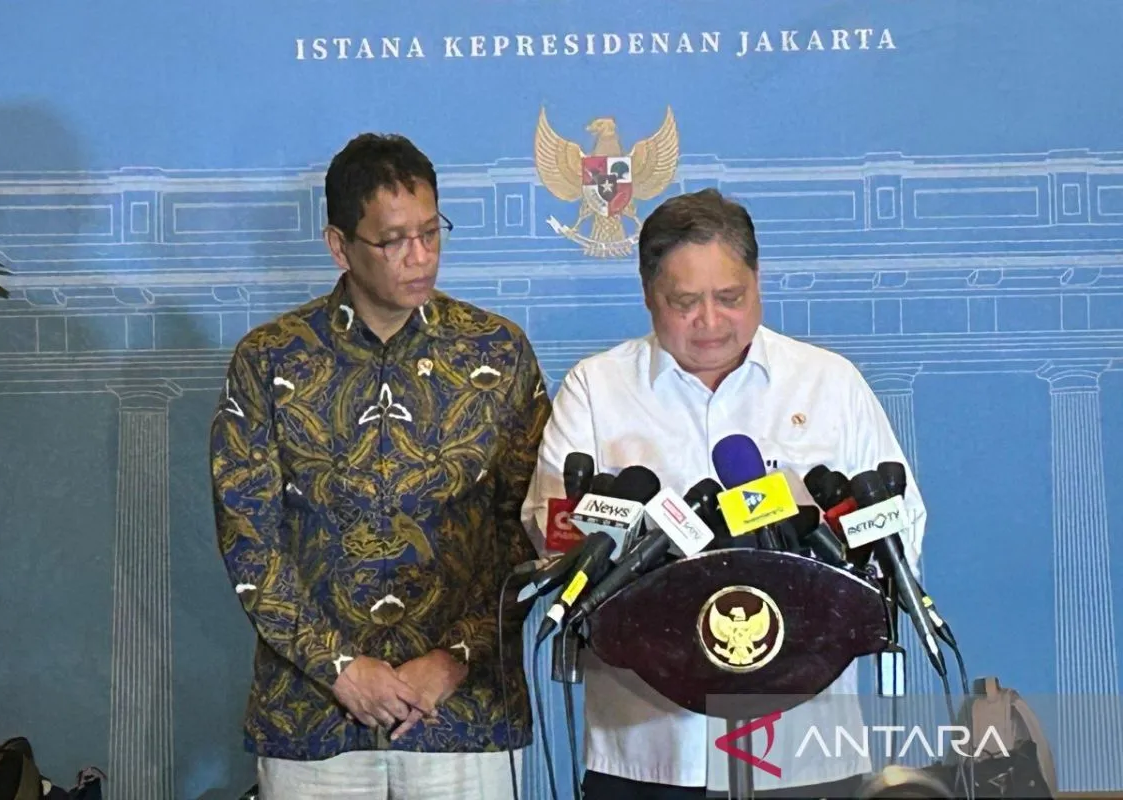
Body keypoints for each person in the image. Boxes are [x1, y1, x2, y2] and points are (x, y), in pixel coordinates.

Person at [520, 188, 927, 799]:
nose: (709, 322)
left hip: (804, 748)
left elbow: (901, 532)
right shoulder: (597, 389)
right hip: (649, 751)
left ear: (758, 282)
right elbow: (556, 539)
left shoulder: (829, 384)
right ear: (647, 295)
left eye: (729, 298)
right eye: (684, 302)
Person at [210, 132, 551, 799]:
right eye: (394, 241)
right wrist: (338, 666)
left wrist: (453, 659)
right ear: (340, 246)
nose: (420, 257)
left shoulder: (498, 353)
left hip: (464, 715)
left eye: (430, 233)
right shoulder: (270, 360)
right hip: (313, 716)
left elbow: (528, 533)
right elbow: (249, 538)